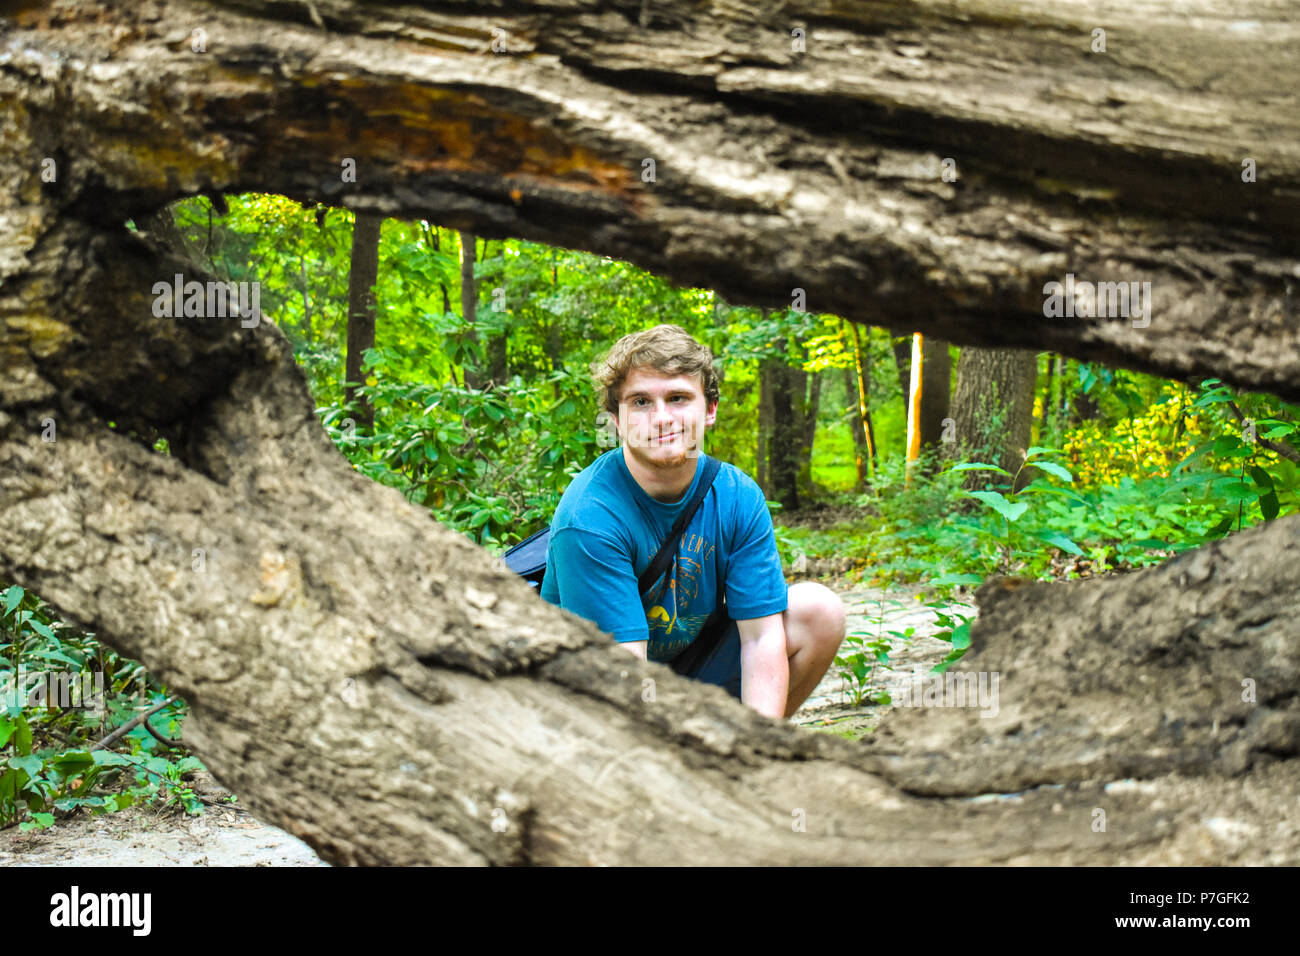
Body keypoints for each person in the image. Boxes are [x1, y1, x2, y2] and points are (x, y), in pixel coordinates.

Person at [539, 324, 846, 720]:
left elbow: (761, 638)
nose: (662, 418)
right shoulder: (589, 517)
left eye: (679, 398)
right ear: (617, 420)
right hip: (591, 697)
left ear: (710, 409)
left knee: (818, 612)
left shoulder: (737, 495)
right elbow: (623, 675)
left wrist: (758, 750)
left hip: (686, 668)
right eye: (641, 402)